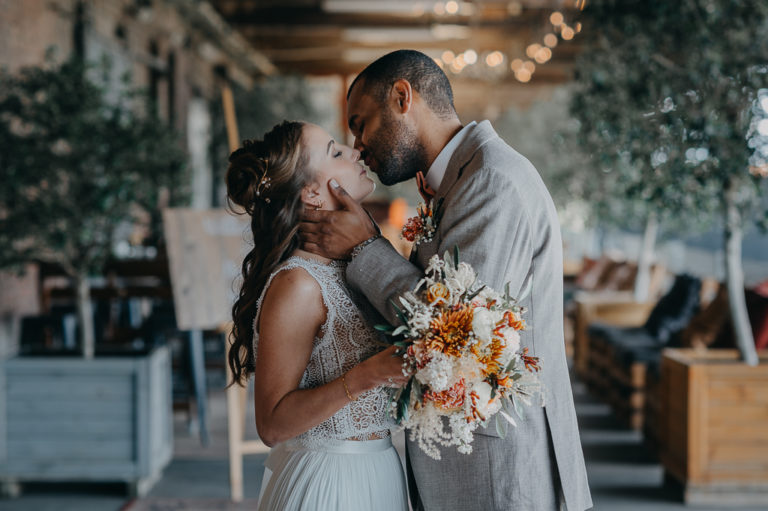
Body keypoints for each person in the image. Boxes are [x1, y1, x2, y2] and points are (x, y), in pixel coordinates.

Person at [299, 50, 593, 510]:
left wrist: (365, 247)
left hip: (499, 469)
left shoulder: (490, 180)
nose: (358, 146)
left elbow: (450, 331)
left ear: (402, 97)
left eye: (361, 124)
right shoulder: (460, 180)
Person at [226, 120, 409, 511]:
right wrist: (368, 375)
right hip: (329, 484)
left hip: (380, 473)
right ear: (311, 193)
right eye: (336, 152)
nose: (355, 151)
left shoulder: (354, 267)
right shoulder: (299, 284)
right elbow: (272, 426)